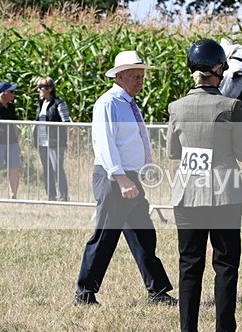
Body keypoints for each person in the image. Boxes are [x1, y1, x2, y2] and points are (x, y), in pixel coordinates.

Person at [73, 50, 177, 307]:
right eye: (135, 76)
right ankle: (84, 293)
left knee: (143, 235)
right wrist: (121, 179)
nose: (140, 81)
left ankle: (158, 291)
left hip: (131, 178)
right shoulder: (108, 103)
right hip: (115, 179)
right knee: (105, 236)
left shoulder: (128, 102)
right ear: (119, 76)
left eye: (142, 76)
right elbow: (105, 144)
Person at [167, 39, 242, 332]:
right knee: (226, 264)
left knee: (189, 263)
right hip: (223, 194)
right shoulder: (231, 107)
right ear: (219, 70)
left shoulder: (175, 108)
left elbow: (173, 152)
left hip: (187, 194)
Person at [33, 76, 71, 201]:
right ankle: (51, 195)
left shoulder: (58, 104)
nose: (38, 90)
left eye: (41, 87)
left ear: (49, 89)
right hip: (42, 141)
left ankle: (63, 196)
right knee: (47, 169)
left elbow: (66, 122)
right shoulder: (40, 104)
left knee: (57, 168)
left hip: (55, 142)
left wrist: (62, 139)